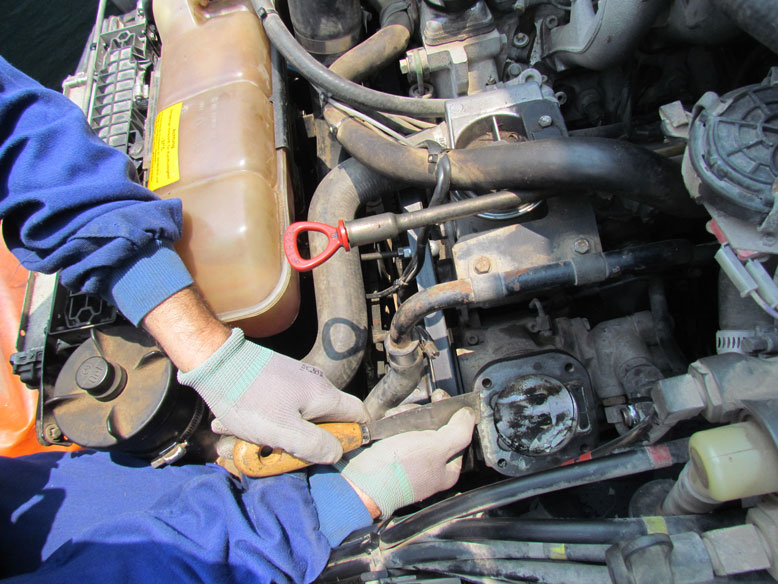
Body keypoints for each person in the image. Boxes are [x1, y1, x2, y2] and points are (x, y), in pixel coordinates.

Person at [0, 56, 476, 582]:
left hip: (29, 492)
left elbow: (23, 132)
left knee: (164, 494)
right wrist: (330, 511)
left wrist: (215, 358)